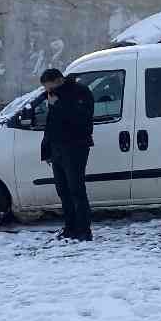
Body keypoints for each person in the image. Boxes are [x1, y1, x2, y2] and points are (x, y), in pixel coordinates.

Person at [39, 67, 95, 242]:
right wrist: (47, 150)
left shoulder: (80, 92)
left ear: (58, 81)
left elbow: (82, 119)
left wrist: (58, 105)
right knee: (63, 190)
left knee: (76, 189)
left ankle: (84, 230)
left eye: (49, 87)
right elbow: (51, 124)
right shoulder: (54, 96)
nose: (47, 91)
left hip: (75, 147)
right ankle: (70, 227)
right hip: (57, 149)